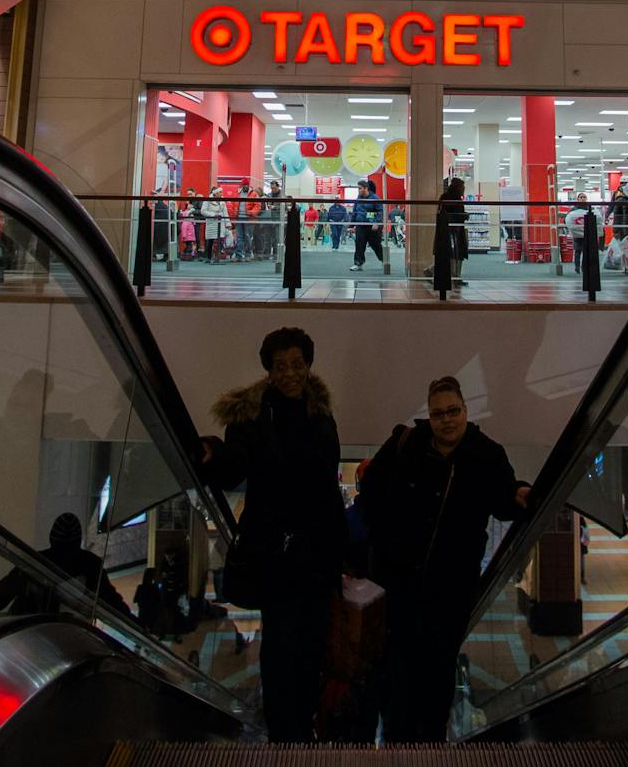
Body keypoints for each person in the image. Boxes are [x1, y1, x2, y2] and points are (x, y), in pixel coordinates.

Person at [361, 375, 532, 742]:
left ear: (466, 411)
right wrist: (382, 540)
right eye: (438, 414)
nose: (447, 420)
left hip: (449, 591)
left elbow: (504, 498)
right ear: (430, 416)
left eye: (453, 411)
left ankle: (430, 747)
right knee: (398, 675)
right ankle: (398, 747)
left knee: (437, 675)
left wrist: (519, 494)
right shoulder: (406, 445)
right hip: (399, 586)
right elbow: (371, 492)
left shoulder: (486, 454)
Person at [198, 327, 346, 741]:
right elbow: (236, 461)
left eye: (297, 365)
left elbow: (326, 483)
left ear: (308, 365)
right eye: (280, 366)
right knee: (281, 648)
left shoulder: (321, 411)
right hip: (278, 558)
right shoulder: (254, 415)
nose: (290, 374)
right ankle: (287, 738)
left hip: (317, 554)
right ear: (268, 369)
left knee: (314, 647)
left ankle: (306, 728)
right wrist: (213, 453)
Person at [0, 511, 128, 617]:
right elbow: (112, 601)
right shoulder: (91, 564)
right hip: (69, 634)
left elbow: (0, 594)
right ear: (78, 539)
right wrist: (138, 625)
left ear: (52, 536)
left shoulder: (36, 562)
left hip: (27, 632)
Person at [436, 178, 469, 296]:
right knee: (455, 254)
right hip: (454, 231)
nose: (464, 189)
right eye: (462, 187)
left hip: (448, 230)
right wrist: (464, 216)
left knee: (452, 254)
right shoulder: (454, 199)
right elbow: (453, 215)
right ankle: (454, 277)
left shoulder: (445, 197)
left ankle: (455, 277)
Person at [351, 178, 389, 270]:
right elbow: (354, 212)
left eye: (360, 188)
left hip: (372, 227)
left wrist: (376, 222)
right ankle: (358, 263)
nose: (358, 190)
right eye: (358, 188)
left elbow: (380, 211)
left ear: (366, 188)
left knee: (376, 245)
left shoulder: (375, 198)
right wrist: (351, 226)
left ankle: (384, 260)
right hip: (361, 226)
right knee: (359, 244)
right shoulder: (358, 198)